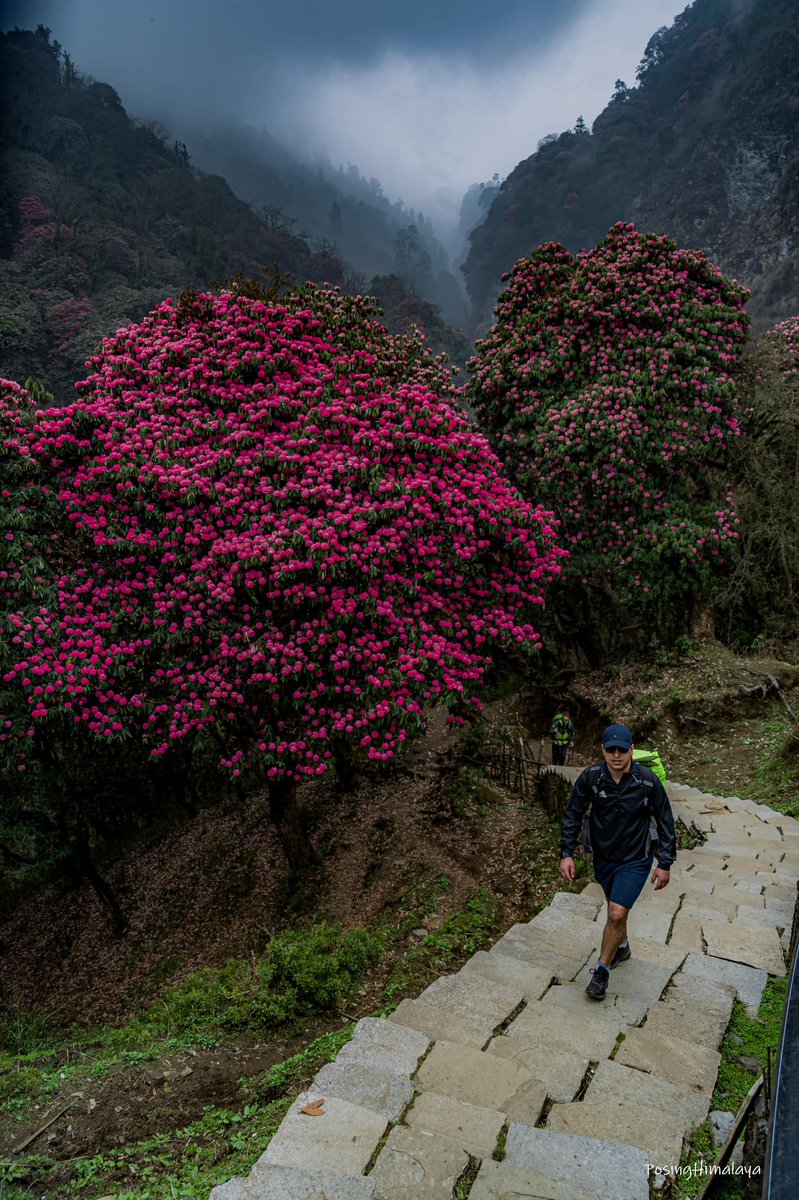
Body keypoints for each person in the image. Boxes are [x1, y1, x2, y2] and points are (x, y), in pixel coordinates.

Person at [559, 722, 677, 1002]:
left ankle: (601, 972)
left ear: (631, 751)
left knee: (615, 912)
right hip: (604, 859)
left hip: (636, 859)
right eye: (610, 750)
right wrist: (567, 853)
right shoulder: (592, 778)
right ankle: (621, 946)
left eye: (621, 750)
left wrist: (665, 862)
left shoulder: (647, 781)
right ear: (603, 750)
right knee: (617, 912)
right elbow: (573, 814)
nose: (616, 755)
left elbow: (665, 820)